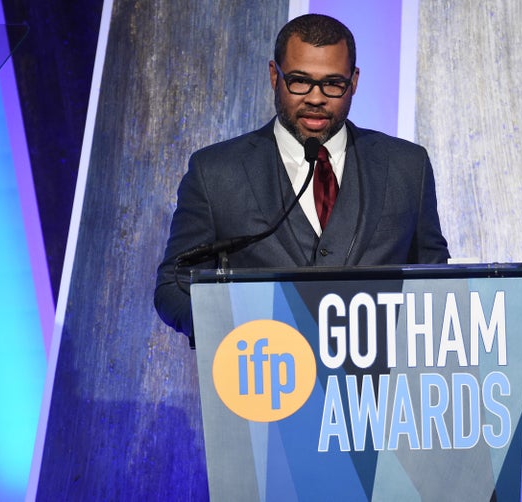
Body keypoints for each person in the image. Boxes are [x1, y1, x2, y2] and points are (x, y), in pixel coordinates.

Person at [154, 14, 449, 342]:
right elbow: (174, 286)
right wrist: (231, 332)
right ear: (273, 76)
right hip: (261, 380)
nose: (315, 98)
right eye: (299, 80)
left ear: (354, 81)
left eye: (333, 83)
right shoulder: (215, 172)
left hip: (382, 388)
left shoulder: (408, 166)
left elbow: (437, 282)